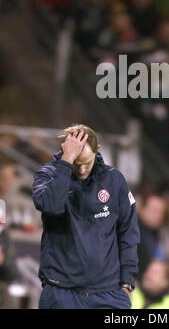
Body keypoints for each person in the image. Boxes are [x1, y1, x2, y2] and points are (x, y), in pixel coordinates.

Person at [32, 124, 140, 309]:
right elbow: (51, 206)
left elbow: (128, 232)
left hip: (109, 295)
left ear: (98, 150)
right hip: (61, 293)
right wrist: (66, 162)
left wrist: (127, 283)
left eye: (86, 163)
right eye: (76, 164)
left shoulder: (114, 180)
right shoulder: (48, 176)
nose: (81, 170)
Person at [137, 194, 166, 278]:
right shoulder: (130, 232)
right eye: (154, 211)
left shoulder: (155, 233)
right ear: (142, 210)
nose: (158, 216)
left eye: (161, 212)